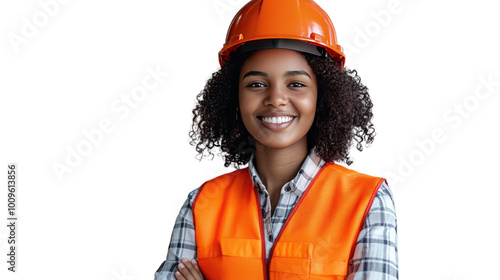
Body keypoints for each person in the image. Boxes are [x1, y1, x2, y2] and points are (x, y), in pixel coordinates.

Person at [154, 0, 398, 279]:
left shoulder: (367, 201)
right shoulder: (201, 205)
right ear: (233, 97)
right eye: (256, 84)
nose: (276, 99)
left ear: (324, 97)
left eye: (296, 84)